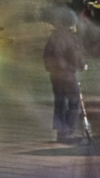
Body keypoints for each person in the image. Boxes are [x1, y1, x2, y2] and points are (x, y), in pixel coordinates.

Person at [42, 12, 84, 142]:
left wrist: (52, 68)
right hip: (68, 74)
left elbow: (46, 55)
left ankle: (61, 131)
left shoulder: (53, 37)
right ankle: (68, 131)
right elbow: (75, 56)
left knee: (59, 102)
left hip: (55, 75)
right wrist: (81, 65)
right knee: (73, 102)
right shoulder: (71, 37)